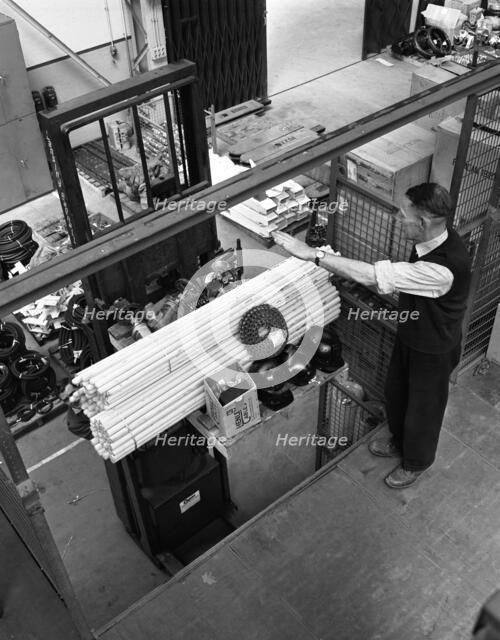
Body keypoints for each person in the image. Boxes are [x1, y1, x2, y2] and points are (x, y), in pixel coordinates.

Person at [272, 182, 472, 489]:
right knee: (398, 393)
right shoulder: (429, 241)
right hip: (413, 334)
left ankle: (416, 461)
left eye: (403, 214)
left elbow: (371, 276)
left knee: (424, 408)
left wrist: (311, 254)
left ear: (422, 222)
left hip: (434, 348)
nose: (397, 218)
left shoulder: (444, 267)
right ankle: (398, 440)